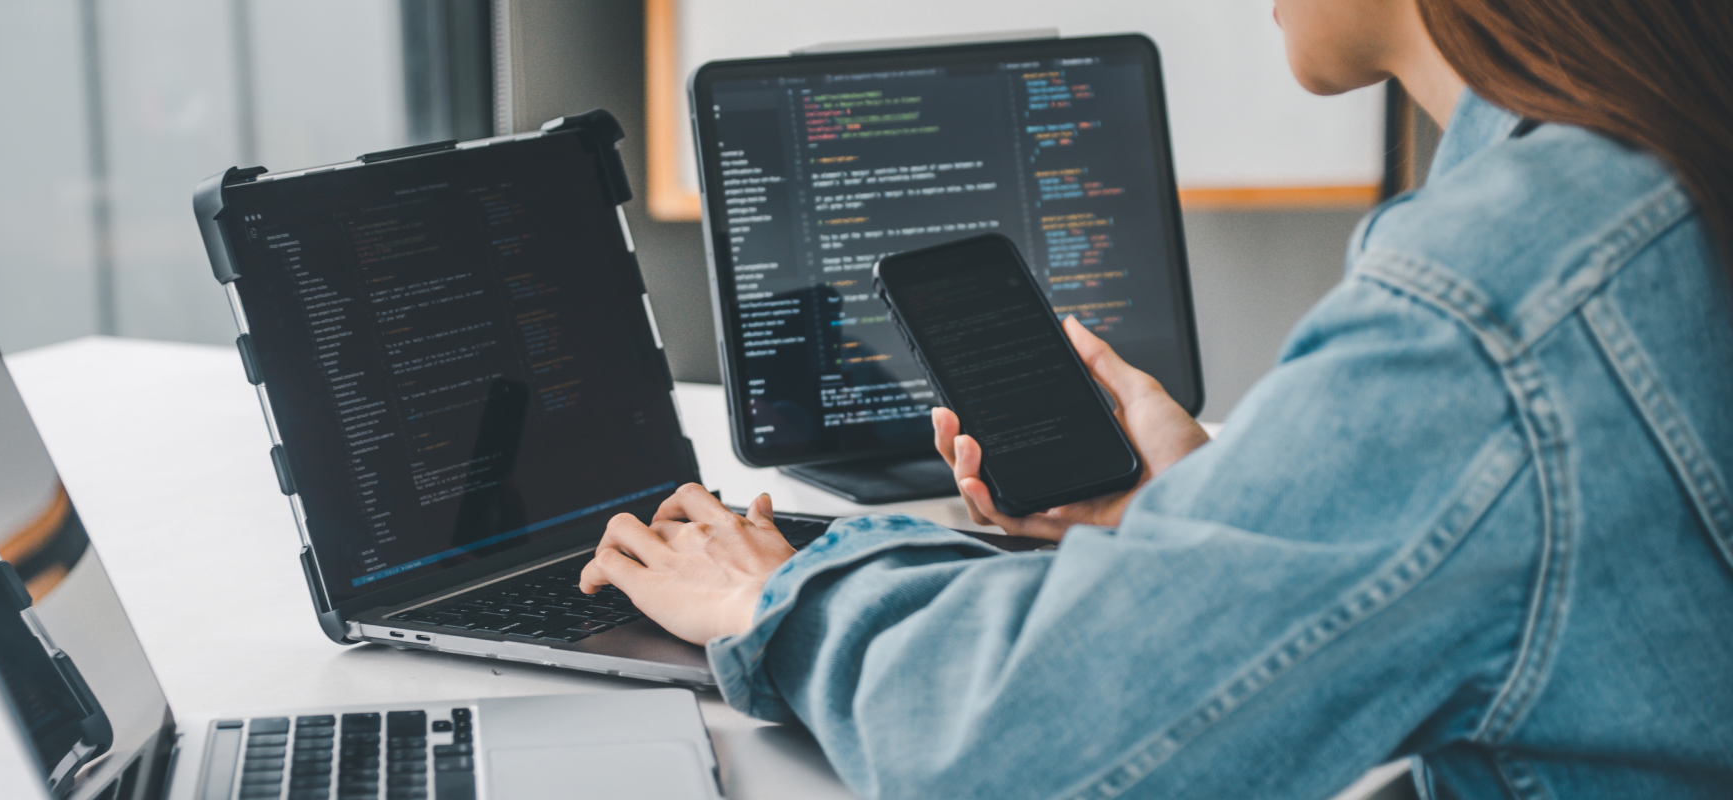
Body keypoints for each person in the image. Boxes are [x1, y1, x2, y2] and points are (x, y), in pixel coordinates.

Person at [582, 0, 1733, 796]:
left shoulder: (1488, 297)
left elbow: (1018, 740)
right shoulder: (1660, 170)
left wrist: (776, 591)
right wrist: (1205, 506)